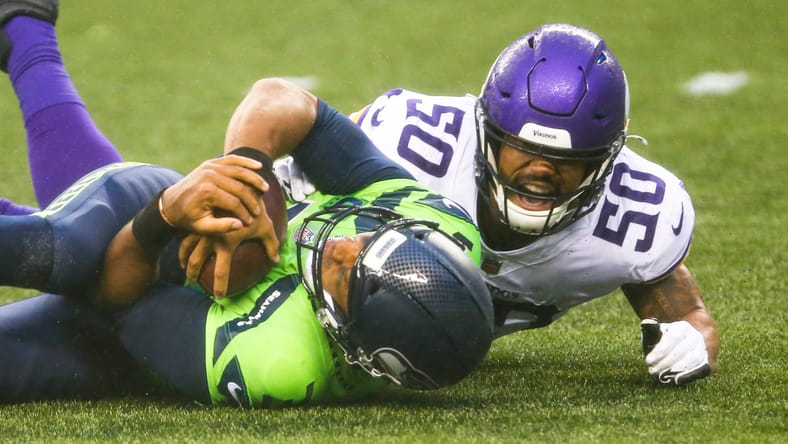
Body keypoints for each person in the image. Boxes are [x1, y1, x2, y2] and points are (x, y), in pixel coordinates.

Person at [0, 1, 494, 406]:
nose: (344, 243)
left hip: (133, 294)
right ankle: (26, 35)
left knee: (72, 270)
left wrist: (166, 212)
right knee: (60, 248)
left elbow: (111, 299)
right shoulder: (434, 222)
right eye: (372, 239)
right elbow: (285, 102)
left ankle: (25, 32)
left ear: (354, 347)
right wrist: (244, 172)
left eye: (346, 275)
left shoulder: (277, 360)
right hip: (170, 219)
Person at [275, 23, 719, 386]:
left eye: (568, 161)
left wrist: (691, 341)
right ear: (486, 132)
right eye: (521, 149)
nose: (540, 171)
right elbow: (287, 178)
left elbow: (684, 311)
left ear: (606, 161)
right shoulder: (414, 140)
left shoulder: (635, 217)